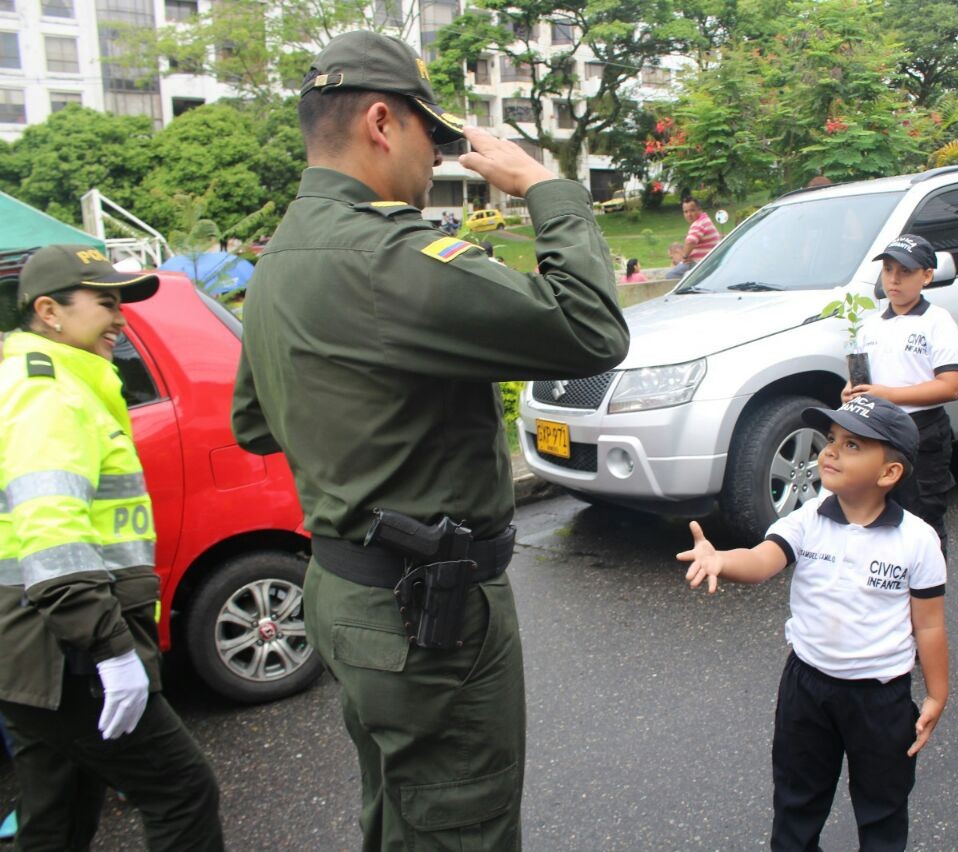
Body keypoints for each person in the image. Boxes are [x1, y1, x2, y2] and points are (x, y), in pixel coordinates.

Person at [230, 31, 629, 850]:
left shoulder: (281, 256)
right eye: (432, 135)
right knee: (459, 826)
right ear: (382, 122)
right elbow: (591, 331)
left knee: (399, 811)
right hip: (426, 615)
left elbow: (254, 422)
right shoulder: (388, 256)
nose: (439, 158)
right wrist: (548, 188)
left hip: (347, 594)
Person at [0, 244, 223, 851]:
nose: (120, 319)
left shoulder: (52, 382)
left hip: (35, 649)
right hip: (64, 652)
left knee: (57, 817)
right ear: (49, 311)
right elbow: (54, 537)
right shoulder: (48, 394)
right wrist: (110, 651)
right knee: (182, 792)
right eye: (105, 303)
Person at [679, 395, 948, 852]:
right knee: (796, 802)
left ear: (889, 473)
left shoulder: (918, 541)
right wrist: (721, 559)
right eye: (831, 439)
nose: (831, 451)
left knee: (882, 809)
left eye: (852, 445)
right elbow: (761, 561)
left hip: (881, 698)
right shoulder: (807, 518)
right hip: (807, 688)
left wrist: (937, 694)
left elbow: (929, 626)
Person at [840, 235, 958, 554]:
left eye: (905, 271)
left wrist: (888, 395)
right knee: (879, 522)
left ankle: (929, 585)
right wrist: (851, 391)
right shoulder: (870, 326)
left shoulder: (937, 321)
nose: (894, 279)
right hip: (878, 435)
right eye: (888, 269)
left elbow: (951, 385)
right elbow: (864, 379)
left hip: (922, 432)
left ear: (927, 275)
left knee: (922, 522)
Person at [680, 195, 720, 266]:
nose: (689, 214)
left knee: (673, 272)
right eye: (686, 212)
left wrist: (684, 257)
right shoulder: (705, 219)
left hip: (701, 264)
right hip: (709, 261)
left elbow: (690, 242)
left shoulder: (699, 224)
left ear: (700, 210)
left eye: (692, 210)